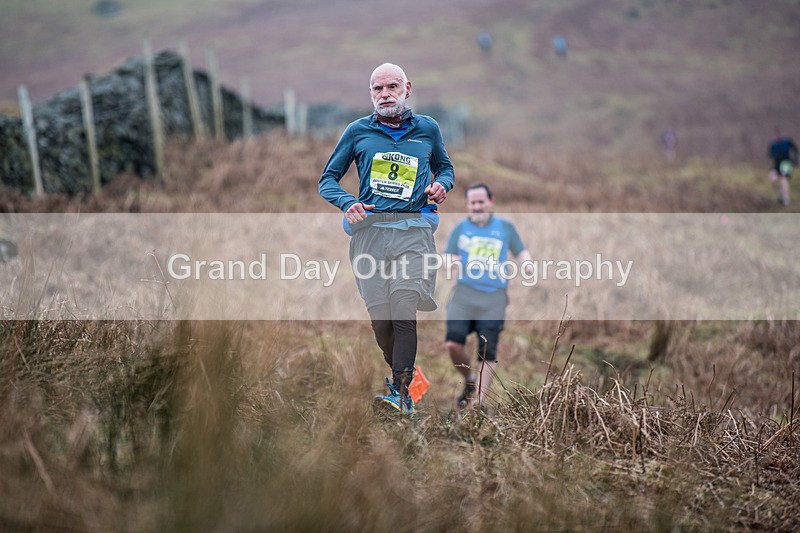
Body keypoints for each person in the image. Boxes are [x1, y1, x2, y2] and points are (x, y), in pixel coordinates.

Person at [319, 63, 455, 415]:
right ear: (371, 94)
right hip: (370, 236)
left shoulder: (427, 129)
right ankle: (407, 377)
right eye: (377, 89)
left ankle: (401, 395)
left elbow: (446, 168)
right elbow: (328, 180)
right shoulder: (357, 131)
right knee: (381, 319)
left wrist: (443, 185)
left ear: (407, 88)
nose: (385, 95)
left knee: (403, 306)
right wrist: (348, 202)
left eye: (392, 87)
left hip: (413, 232)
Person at [443, 183, 532, 410]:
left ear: (491, 202)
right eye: (473, 203)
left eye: (481, 202)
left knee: (487, 351)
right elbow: (447, 256)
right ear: (467, 205)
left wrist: (527, 264)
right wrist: (450, 261)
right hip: (464, 294)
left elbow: (520, 250)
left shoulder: (505, 227)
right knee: (453, 344)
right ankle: (470, 379)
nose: (477, 206)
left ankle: (480, 404)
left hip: (494, 297)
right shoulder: (461, 228)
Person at [768, 126, 798, 206]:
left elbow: (795, 150)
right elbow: (770, 154)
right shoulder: (773, 144)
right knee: (772, 178)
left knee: (784, 179)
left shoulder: (787, 142)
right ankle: (780, 193)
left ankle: (786, 198)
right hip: (777, 164)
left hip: (786, 163)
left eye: (780, 135)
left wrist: (795, 159)